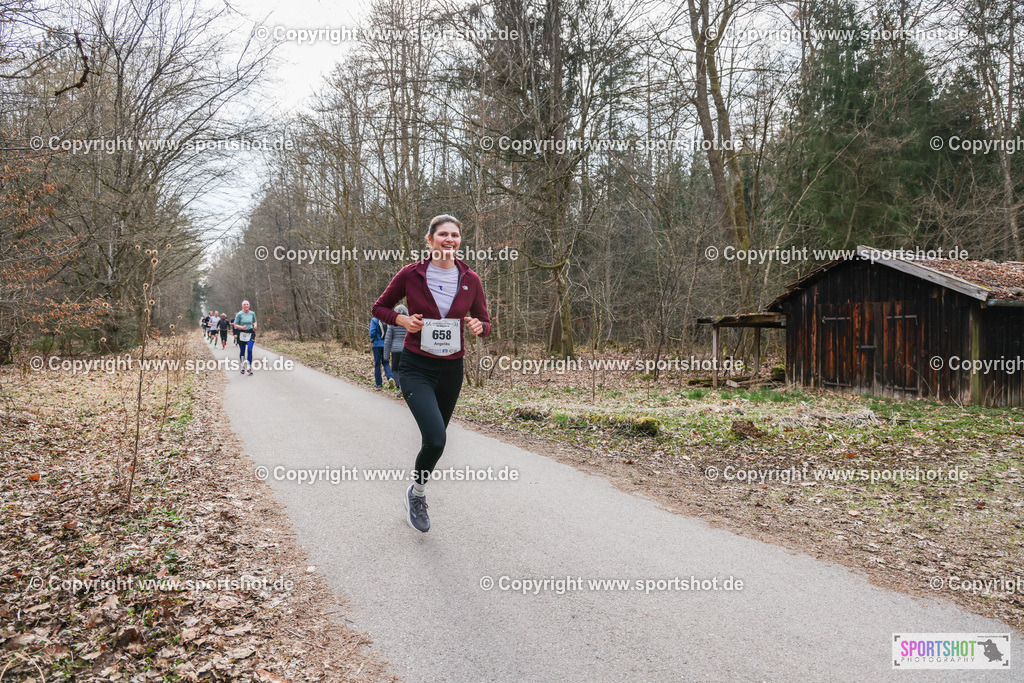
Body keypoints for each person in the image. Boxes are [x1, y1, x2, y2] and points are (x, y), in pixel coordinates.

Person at [372, 214, 491, 533]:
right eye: (443, 234)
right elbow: (379, 307)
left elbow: (485, 321)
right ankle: (418, 495)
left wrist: (481, 327)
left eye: (455, 235)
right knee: (437, 439)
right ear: (431, 239)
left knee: (434, 443)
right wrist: (402, 322)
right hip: (415, 366)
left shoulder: (471, 278)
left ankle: (415, 489)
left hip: (452, 368)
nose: (449, 239)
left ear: (460, 241)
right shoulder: (411, 274)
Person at [382, 304, 408, 390]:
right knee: (405, 369)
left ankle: (399, 385)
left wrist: (386, 355)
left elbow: (388, 340)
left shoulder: (392, 323)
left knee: (395, 369)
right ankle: (405, 386)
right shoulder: (408, 322)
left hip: (395, 350)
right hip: (406, 350)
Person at [233, 301, 257, 375]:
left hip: (250, 333)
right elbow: (235, 325)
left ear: (249, 306)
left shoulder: (252, 313)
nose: (246, 306)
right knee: (242, 351)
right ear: (242, 306)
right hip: (242, 333)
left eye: (247, 304)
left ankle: (249, 367)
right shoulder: (240, 314)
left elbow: (255, 321)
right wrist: (241, 327)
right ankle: (243, 366)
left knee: (249, 350)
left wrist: (255, 325)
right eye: (244, 305)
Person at [370, 316, 392, 388]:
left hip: (377, 345)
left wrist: (372, 340)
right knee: (386, 363)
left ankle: (379, 384)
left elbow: (372, 332)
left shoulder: (374, 320)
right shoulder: (386, 319)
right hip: (385, 344)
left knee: (377, 364)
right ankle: (390, 378)